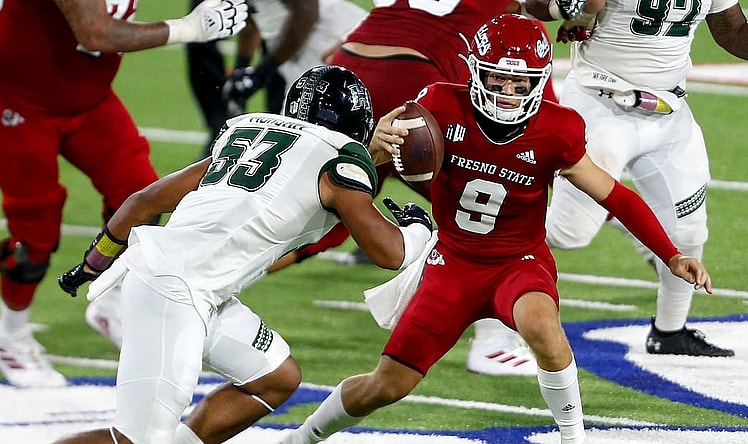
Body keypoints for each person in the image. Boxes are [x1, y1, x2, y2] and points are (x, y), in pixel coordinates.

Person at [279, 14, 713, 444]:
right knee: (386, 385)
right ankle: (300, 439)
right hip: (451, 264)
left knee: (542, 327)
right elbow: (363, 166)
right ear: (474, 72)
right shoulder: (437, 106)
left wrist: (671, 253)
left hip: (518, 263)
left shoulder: (557, 128)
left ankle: (574, 438)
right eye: (497, 79)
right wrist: (376, 145)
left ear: (539, 82)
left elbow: (615, 195)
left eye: (519, 83)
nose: (508, 93)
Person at [52, 65, 433, 444]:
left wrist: (92, 264)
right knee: (138, 440)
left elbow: (143, 201)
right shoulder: (340, 162)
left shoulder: (249, 134)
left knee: (274, 378)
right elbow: (390, 252)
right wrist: (420, 228)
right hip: (175, 290)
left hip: (187, 283)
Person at [0, 0, 248, 388]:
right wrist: (191, 28)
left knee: (142, 197)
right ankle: (9, 337)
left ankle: (112, 303)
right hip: (17, 99)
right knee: (34, 234)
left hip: (86, 94)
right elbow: (95, 32)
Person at [527, 0, 746, 356]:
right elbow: (536, 6)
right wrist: (565, 8)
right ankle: (465, 264)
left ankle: (669, 332)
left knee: (689, 231)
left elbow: (732, 31)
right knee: (568, 233)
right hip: (599, 108)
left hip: (668, 111)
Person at [189, 0, 367, 158]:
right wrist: (241, 70)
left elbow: (306, 13)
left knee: (312, 143)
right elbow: (250, 18)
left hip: (324, 41)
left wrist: (261, 74)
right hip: (302, 52)